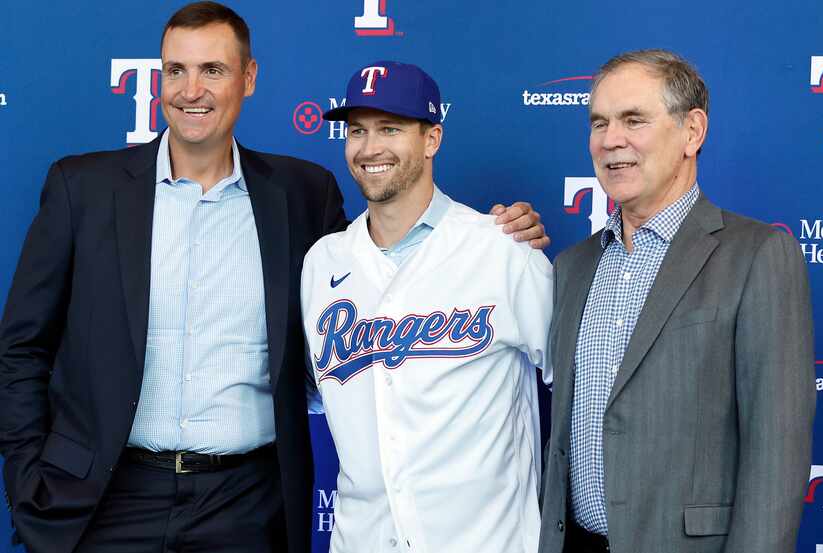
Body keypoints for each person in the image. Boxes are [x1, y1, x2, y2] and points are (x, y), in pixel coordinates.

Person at [0, 4, 548, 553]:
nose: (191, 90)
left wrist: (503, 232)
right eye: (175, 70)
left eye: (212, 70)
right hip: (109, 496)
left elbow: (378, 287)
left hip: (246, 502)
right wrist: (29, 480)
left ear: (249, 77)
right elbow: (22, 347)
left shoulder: (302, 195)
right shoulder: (83, 188)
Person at [538, 49, 815, 553]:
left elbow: (776, 451)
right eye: (599, 123)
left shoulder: (756, 255)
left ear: (692, 132)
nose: (610, 140)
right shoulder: (571, 267)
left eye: (633, 120)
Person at [300, 61, 553, 553]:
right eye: (357, 131)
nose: (369, 148)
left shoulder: (502, 249)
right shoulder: (321, 263)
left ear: (432, 139)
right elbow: (316, 395)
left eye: (390, 129)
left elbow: (579, 389)